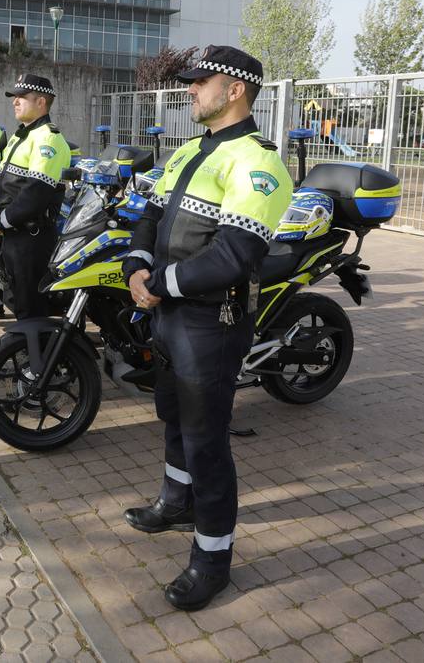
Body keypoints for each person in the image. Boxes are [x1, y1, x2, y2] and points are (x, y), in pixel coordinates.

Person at [120, 46, 292, 611]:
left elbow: (234, 256)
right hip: (169, 311)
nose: (191, 90)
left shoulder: (258, 163)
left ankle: (212, 558)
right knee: (172, 415)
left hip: (211, 321)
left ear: (236, 89)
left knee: (206, 441)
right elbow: (147, 213)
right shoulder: (190, 150)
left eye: (201, 82)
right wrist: (135, 267)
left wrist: (158, 283)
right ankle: (177, 502)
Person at [0, 75, 71, 319]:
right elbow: (0, 181)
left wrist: (0, 220)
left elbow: (36, 195)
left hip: (32, 238)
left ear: (41, 102)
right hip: (14, 234)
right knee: (19, 303)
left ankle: (34, 355)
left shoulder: (48, 139)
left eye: (21, 97)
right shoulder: (20, 135)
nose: (15, 102)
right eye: (14, 97)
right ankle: (28, 353)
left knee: (32, 310)